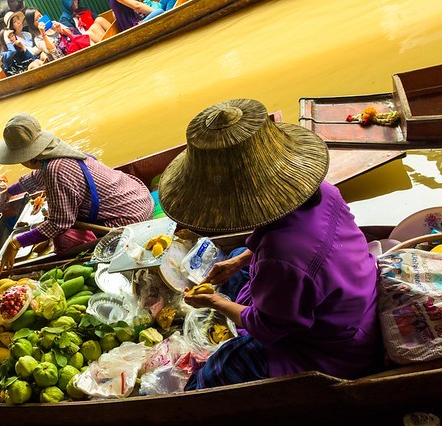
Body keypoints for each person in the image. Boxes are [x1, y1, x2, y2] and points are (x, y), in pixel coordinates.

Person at [156, 99, 382, 389]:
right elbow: (303, 242)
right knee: (238, 255)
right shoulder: (323, 190)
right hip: (350, 297)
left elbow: (268, 328)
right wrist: (240, 260)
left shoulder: (281, 258)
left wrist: (216, 302)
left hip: (336, 344)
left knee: (223, 367)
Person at [0, 113, 154, 272]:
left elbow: (58, 224)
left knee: (63, 239)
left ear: (27, 157)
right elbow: (36, 178)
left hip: (131, 218)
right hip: (140, 196)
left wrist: (16, 243)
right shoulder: (57, 153)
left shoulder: (55, 171)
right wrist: (8, 192)